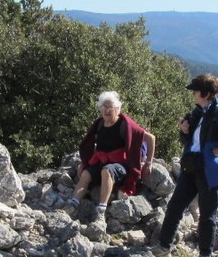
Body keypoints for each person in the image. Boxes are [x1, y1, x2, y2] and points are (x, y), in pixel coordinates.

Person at [151, 73, 218, 257]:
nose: (193, 94)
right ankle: (164, 247)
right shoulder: (199, 112)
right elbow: (189, 141)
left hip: (208, 170)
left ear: (205, 93)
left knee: (207, 214)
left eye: (195, 91)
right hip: (191, 166)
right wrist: (184, 131)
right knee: (175, 206)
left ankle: (205, 255)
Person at [67, 91, 156, 230]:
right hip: (102, 160)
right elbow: (90, 146)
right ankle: (72, 205)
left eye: (111, 107)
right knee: (85, 173)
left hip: (121, 165)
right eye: (104, 106)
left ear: (117, 109)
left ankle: (101, 212)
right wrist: (84, 163)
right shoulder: (99, 124)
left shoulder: (125, 125)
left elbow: (151, 138)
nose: (107, 110)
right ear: (100, 109)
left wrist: (149, 162)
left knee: (107, 171)